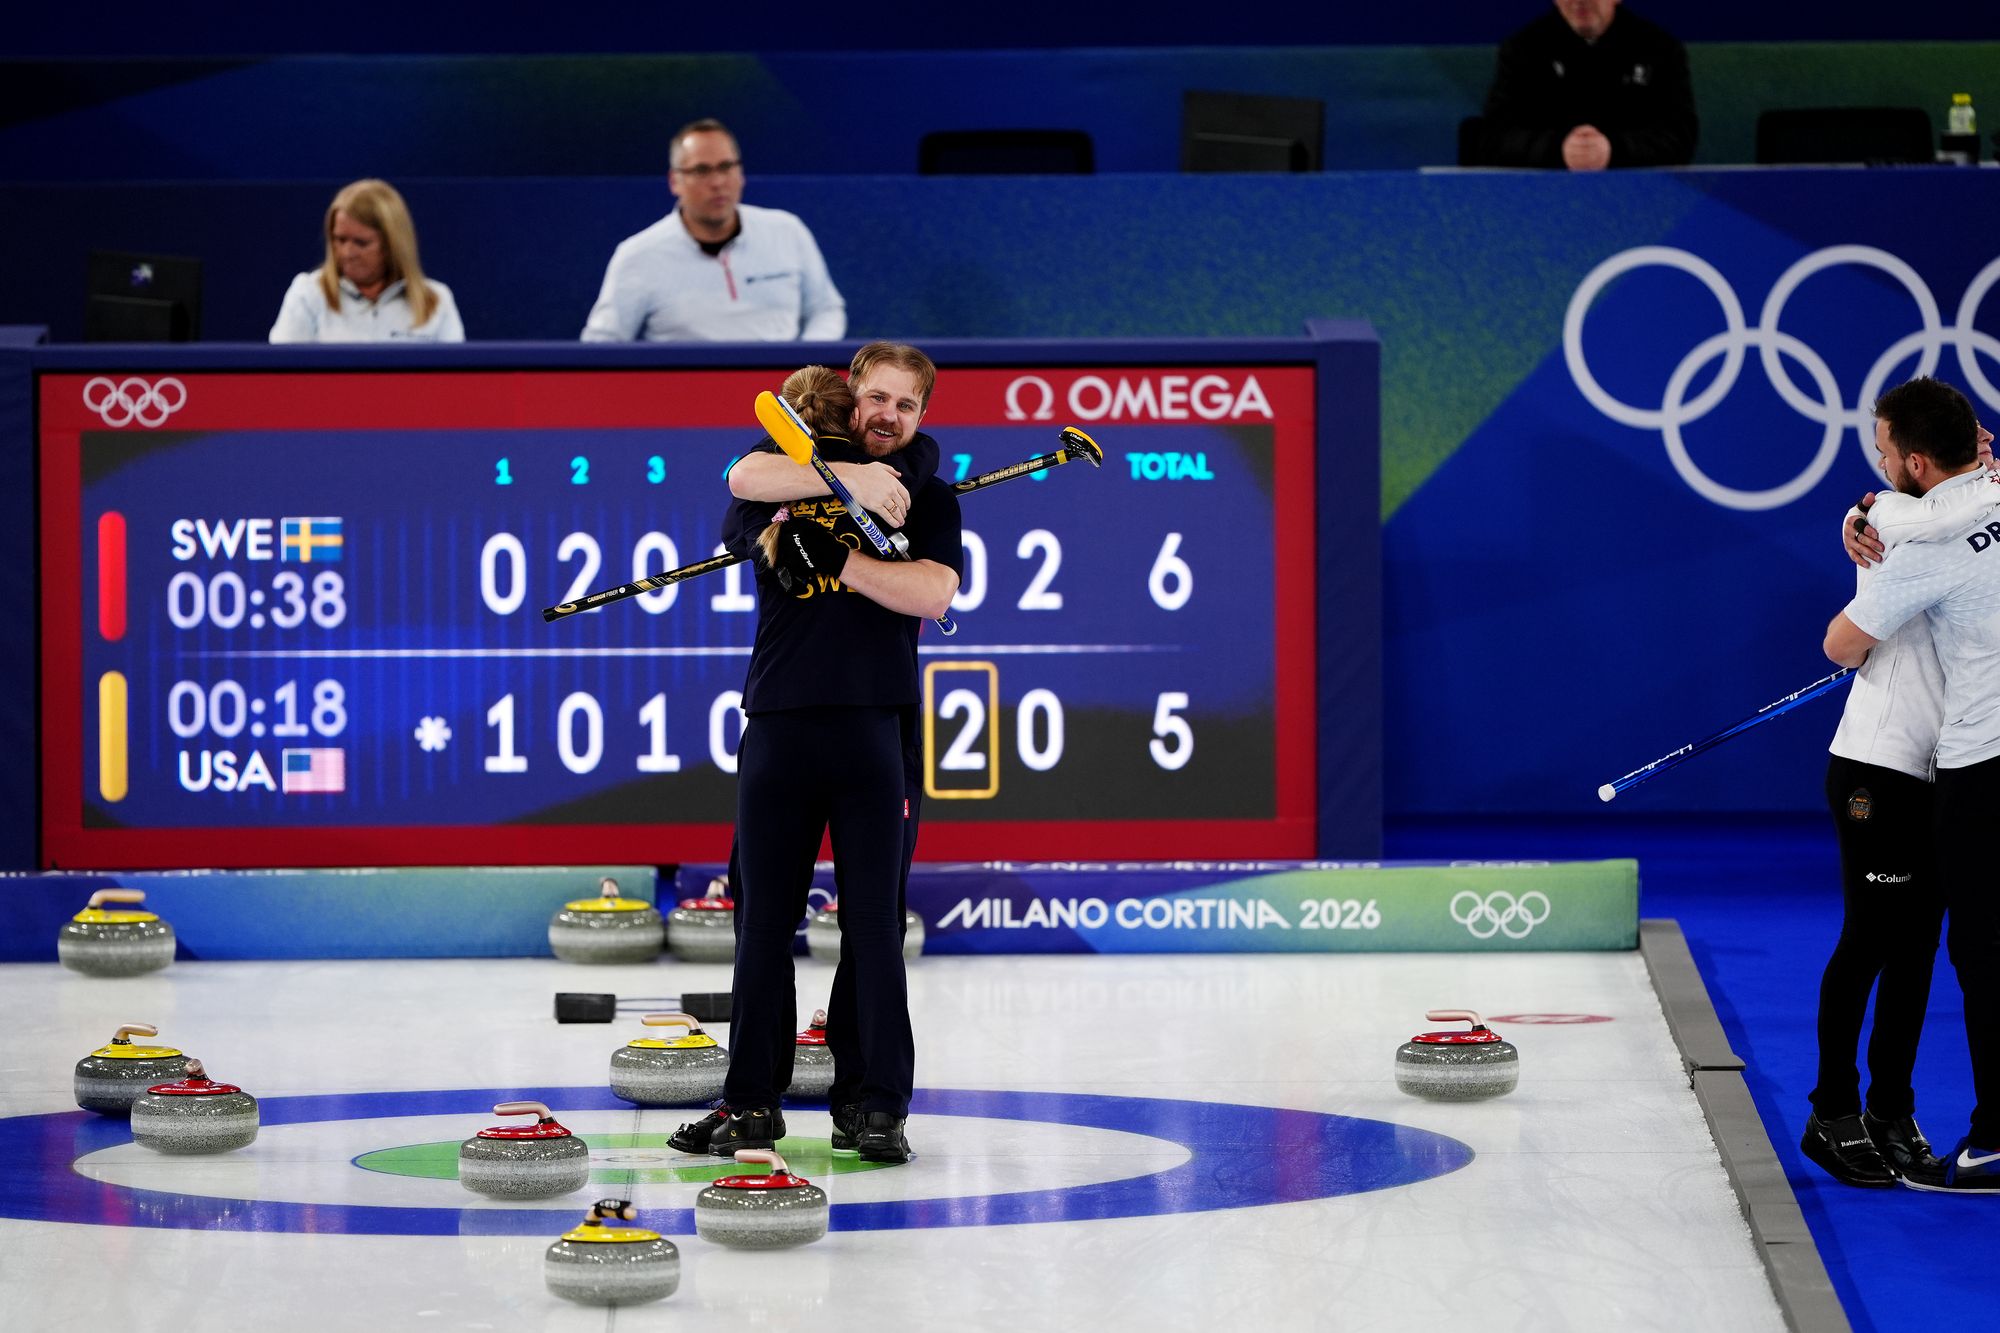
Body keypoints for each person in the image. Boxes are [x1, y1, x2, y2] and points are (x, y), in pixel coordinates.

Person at [698, 346, 960, 1166]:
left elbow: (934, 592)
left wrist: (843, 560)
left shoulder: (931, 495)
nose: (887, 415)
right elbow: (741, 479)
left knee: (873, 925)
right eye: (875, 397)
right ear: (850, 399)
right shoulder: (791, 469)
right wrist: (845, 483)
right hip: (778, 721)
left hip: (875, 729)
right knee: (761, 925)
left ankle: (875, 1106)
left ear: (921, 416)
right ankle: (750, 1103)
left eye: (905, 405)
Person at [1801, 424, 1996, 1186]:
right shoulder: (1901, 520)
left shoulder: (1961, 514)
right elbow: (1887, 510)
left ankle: (1890, 1108)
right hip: (1876, 766)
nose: (1879, 464)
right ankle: (1832, 1110)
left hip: (1943, 770)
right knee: (1870, 939)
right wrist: (1859, 510)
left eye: (1885, 450)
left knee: (1917, 948)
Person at [580, 118, 846, 342]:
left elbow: (826, 309)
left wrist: (805, 368)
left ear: (741, 173)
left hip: (782, 387)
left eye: (726, 167)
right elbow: (601, 345)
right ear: (675, 181)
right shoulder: (638, 255)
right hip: (684, 387)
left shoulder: (787, 231)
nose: (718, 182)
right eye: (701, 170)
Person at [1479, 0, 1696, 171]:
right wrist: (1558, 148)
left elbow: (1680, 137)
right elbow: (1494, 138)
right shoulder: (1523, 49)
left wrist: (1614, 149)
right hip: (1547, 193)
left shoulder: (1659, 49)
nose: (1579, 1)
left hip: (1639, 193)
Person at [269, 179, 464, 343]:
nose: (347, 253)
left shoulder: (436, 300)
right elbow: (283, 372)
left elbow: (455, 375)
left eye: (361, 243)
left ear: (392, 244)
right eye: (340, 240)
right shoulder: (308, 295)